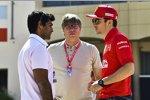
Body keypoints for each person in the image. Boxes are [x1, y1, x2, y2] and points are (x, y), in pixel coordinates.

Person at [48, 13, 102, 100]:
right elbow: (45, 76)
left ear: (80, 29)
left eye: (75, 27)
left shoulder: (91, 49)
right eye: (68, 27)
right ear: (63, 30)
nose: (72, 30)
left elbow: (99, 79)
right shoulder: (51, 49)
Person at [86, 5, 135, 100]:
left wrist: (101, 82)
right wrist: (97, 83)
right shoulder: (110, 41)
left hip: (117, 97)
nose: (94, 24)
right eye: (93, 21)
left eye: (97, 21)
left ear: (109, 22)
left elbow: (129, 69)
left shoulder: (119, 39)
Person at [18, 10, 56, 100]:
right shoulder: (38, 47)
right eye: (50, 25)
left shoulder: (26, 47)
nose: (52, 30)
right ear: (40, 24)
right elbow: (43, 82)